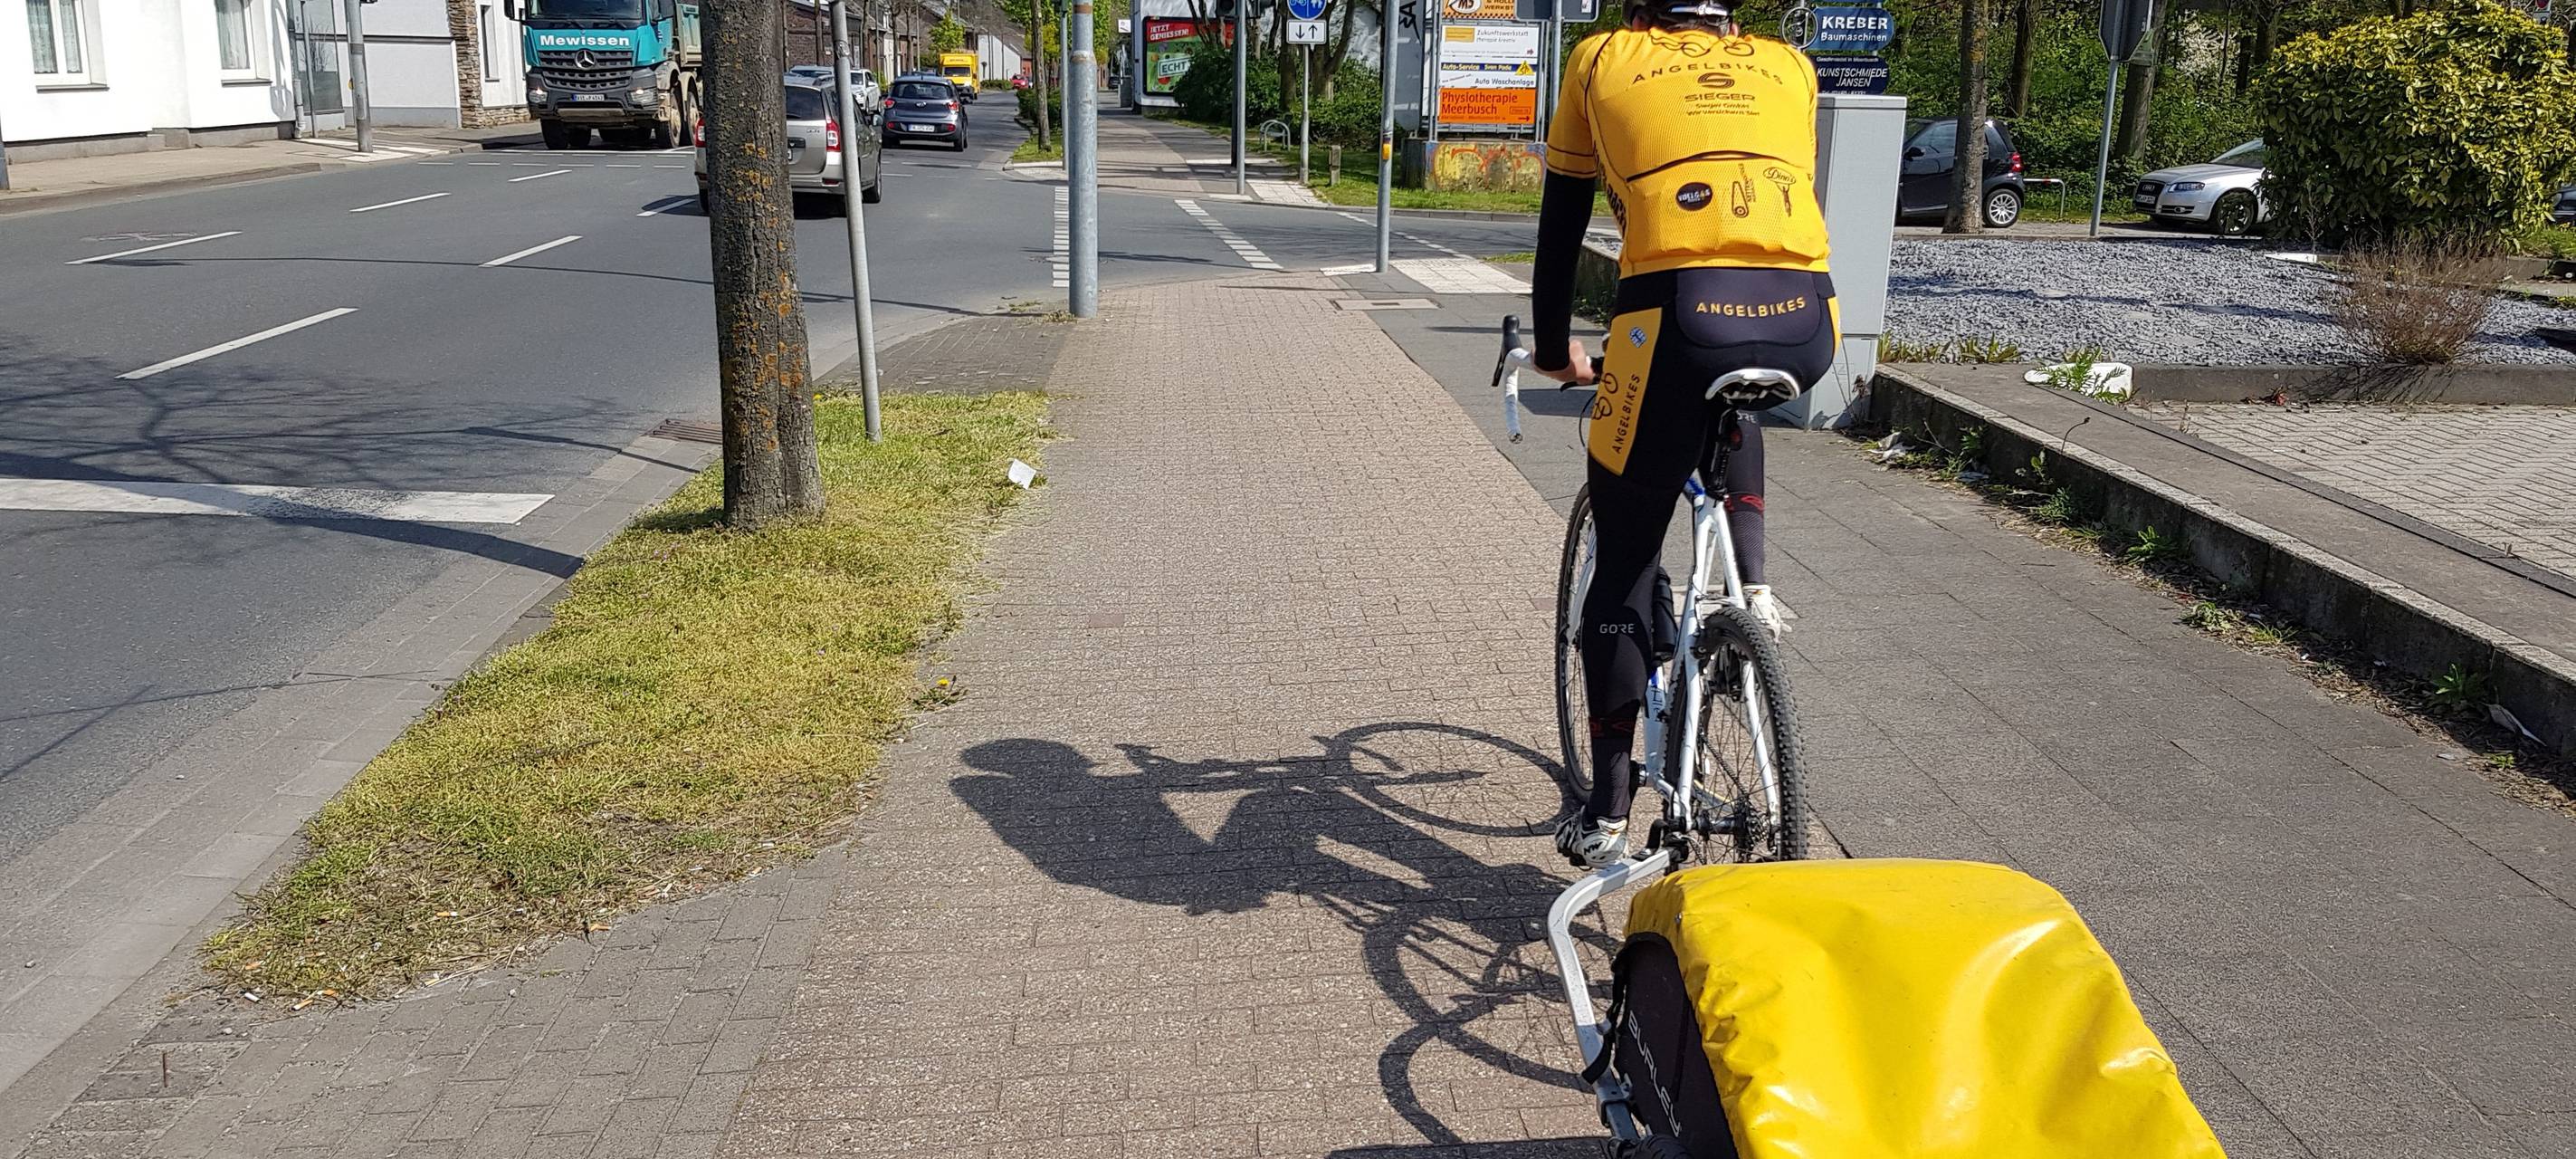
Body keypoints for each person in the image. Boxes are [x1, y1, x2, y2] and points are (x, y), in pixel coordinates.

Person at [1526, 0, 1841, 869]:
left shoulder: (1599, 60)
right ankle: (1754, 599)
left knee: (1623, 559)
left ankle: (1609, 800)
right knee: (1734, 396)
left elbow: (1561, 230)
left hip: (1671, 318)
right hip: (1806, 322)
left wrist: (1556, 354)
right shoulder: (1790, 67)